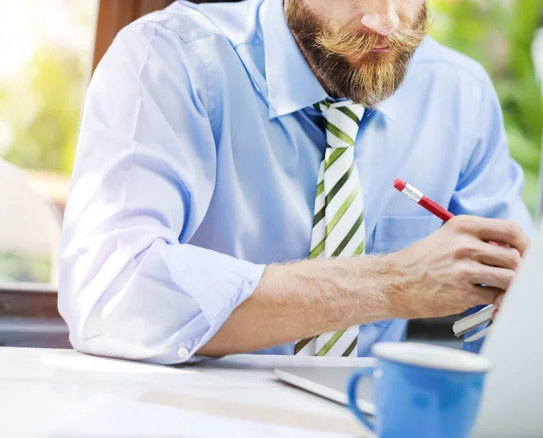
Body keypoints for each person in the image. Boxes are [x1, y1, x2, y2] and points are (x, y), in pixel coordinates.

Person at [59, 0, 534, 364]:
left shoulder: (460, 94)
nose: (386, 20)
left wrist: (512, 299)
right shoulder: (170, 58)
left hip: (372, 435)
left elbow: (521, 301)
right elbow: (112, 298)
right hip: (193, 432)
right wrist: (396, 282)